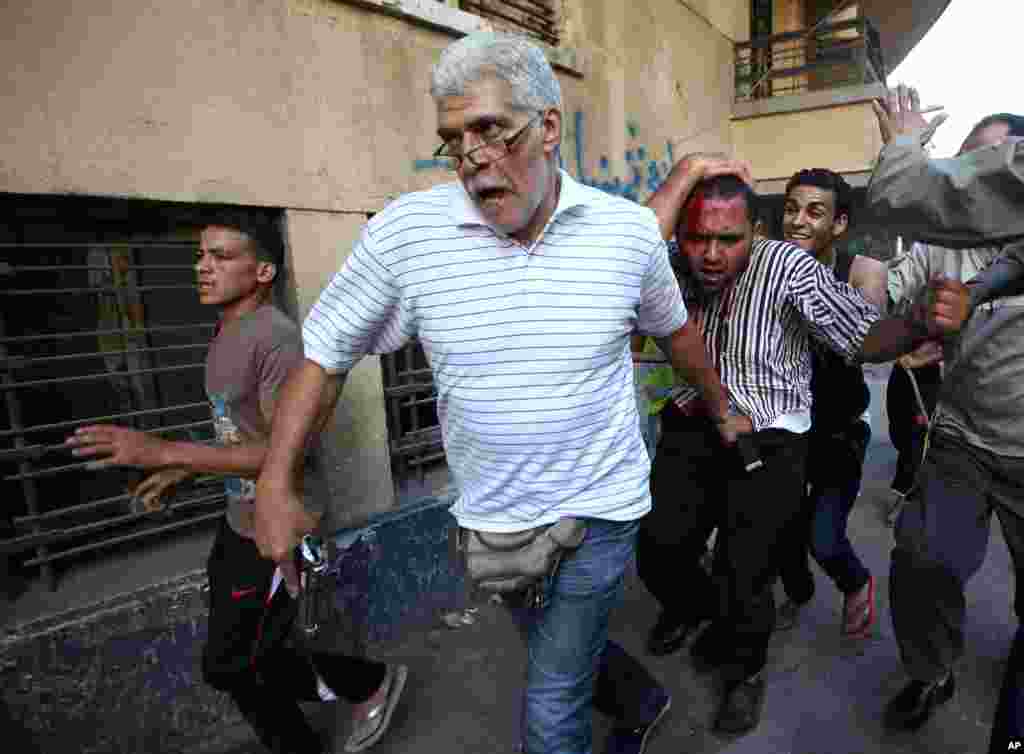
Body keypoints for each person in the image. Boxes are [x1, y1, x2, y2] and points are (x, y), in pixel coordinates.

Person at [251, 33, 745, 754]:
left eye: (490, 129)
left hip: (599, 513)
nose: (474, 156)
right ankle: (641, 698)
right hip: (492, 527)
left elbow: (676, 335)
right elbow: (324, 355)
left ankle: (608, 710)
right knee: (553, 648)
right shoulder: (407, 236)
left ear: (548, 128)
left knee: (549, 704)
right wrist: (274, 479)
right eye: (454, 139)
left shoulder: (627, 235)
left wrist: (723, 406)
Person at [636, 151, 967, 735]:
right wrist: (684, 174)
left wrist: (917, 325)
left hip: (772, 437)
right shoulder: (670, 260)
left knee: (746, 572)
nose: (711, 255)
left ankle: (744, 669)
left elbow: (862, 336)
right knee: (659, 548)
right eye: (697, 239)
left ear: (755, 232)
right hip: (695, 422)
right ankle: (699, 610)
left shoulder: (788, 267)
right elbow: (624, 254)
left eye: (728, 239)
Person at [65, 213, 406, 754]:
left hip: (279, 523)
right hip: (237, 521)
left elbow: (285, 451)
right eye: (202, 255)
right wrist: (181, 469)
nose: (203, 266)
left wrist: (162, 450)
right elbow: (240, 431)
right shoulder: (228, 331)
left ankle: (366, 684)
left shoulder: (275, 341)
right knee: (238, 663)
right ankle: (350, 697)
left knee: (239, 664)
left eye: (221, 256)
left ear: (263, 270)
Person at [867, 88, 1024, 735]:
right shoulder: (941, 243)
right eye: (964, 166)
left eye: (989, 170)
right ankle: (931, 671)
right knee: (922, 562)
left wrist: (901, 154)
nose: (970, 185)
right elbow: (867, 314)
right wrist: (915, 312)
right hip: (961, 434)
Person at [774, 168, 886, 638]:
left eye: (814, 212)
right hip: (785, 426)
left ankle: (857, 582)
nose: (798, 221)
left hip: (841, 428)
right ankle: (798, 596)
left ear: (839, 224)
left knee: (823, 536)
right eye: (791, 209)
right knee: (781, 532)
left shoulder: (863, 270)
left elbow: (862, 337)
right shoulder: (769, 267)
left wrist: (804, 282)